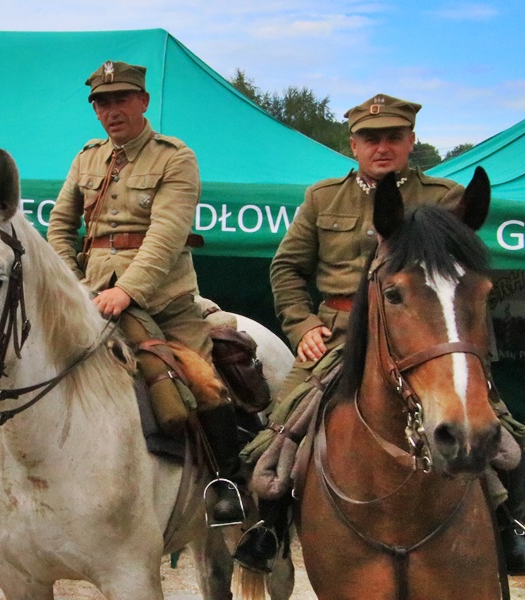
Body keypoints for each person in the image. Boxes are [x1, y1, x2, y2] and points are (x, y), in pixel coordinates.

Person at [233, 93, 525, 573]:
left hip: (424, 340)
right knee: (278, 432)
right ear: (354, 144)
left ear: (411, 141)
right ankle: (270, 528)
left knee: (503, 430)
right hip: (338, 338)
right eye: (371, 138)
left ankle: (508, 522)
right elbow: (286, 268)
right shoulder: (322, 197)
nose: (382, 146)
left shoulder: (443, 198)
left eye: (393, 137)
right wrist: (303, 325)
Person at [47, 60, 245, 526]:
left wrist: (128, 290)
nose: (111, 111)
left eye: (121, 100)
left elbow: (167, 234)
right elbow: (59, 225)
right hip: (91, 298)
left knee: (204, 383)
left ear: (143, 101)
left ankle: (226, 485)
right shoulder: (86, 158)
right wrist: (73, 283)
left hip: (165, 303)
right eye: (102, 103)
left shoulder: (175, 157)